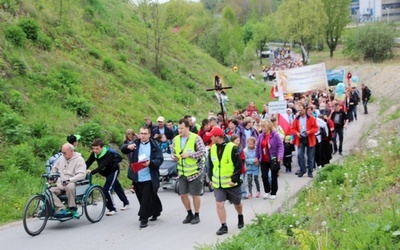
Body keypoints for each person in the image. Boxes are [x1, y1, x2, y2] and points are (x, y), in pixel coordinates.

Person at [121, 126, 163, 228]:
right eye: (141, 133)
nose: (143, 136)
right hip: (137, 176)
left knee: (146, 198)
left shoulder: (154, 145)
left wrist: (150, 163)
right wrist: (127, 147)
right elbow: (123, 149)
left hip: (149, 176)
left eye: (145, 133)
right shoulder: (135, 143)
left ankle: (143, 218)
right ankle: (156, 210)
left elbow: (159, 159)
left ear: (149, 134)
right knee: (143, 197)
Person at [207, 127, 244, 235]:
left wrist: (234, 179)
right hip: (218, 184)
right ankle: (224, 226)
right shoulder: (212, 148)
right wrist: (210, 179)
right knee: (219, 204)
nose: (210, 138)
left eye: (212, 136)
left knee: (237, 203)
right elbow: (211, 166)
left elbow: (239, 166)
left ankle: (240, 216)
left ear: (217, 137)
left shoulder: (232, 148)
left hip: (231, 183)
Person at [171, 119, 206, 225]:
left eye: (182, 128)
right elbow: (173, 152)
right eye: (178, 128)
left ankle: (197, 214)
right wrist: (174, 157)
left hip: (195, 171)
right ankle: (189, 213)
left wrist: (189, 154)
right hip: (182, 172)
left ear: (188, 127)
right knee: (182, 194)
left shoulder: (196, 138)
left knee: (195, 195)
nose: (180, 130)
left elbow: (203, 152)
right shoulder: (175, 139)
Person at [86, 139, 130, 216]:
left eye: (97, 149)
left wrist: (91, 172)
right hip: (106, 172)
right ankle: (126, 202)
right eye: (93, 148)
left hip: (113, 171)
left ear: (102, 147)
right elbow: (88, 162)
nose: (95, 150)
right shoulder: (94, 154)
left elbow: (102, 166)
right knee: (116, 186)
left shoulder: (108, 154)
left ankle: (112, 209)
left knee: (106, 190)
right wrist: (81, 169)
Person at [50, 143, 86, 218]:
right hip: (60, 183)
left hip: (72, 183)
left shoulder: (79, 160)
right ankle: (61, 208)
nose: (63, 154)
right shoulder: (61, 158)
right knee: (48, 191)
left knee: (70, 186)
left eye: (64, 152)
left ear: (71, 151)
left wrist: (69, 180)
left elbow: (82, 174)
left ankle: (72, 208)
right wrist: (52, 177)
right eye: (62, 152)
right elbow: (54, 168)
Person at [255, 120, 283, 199]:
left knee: (274, 176)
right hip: (264, 158)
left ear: (269, 127)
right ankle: (267, 191)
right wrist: (256, 157)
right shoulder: (261, 136)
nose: (263, 128)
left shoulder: (275, 135)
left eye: (264, 127)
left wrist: (280, 157)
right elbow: (258, 148)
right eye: (262, 127)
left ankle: (273, 192)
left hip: (273, 158)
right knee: (264, 176)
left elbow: (281, 146)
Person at [291, 102, 319, 178]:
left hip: (309, 138)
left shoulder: (310, 118)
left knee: (310, 157)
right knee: (300, 155)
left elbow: (316, 128)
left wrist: (309, 132)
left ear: (305, 109)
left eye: (301, 110)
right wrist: (297, 133)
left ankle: (310, 171)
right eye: (299, 110)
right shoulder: (296, 119)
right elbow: (292, 129)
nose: (300, 112)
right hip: (300, 138)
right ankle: (302, 170)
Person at [123, 129, 138, 193]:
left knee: (135, 170)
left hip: (136, 157)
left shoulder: (136, 140)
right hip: (130, 157)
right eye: (128, 135)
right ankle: (135, 185)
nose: (129, 136)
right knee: (132, 171)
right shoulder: (125, 141)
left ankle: (133, 186)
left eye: (130, 134)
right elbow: (124, 148)